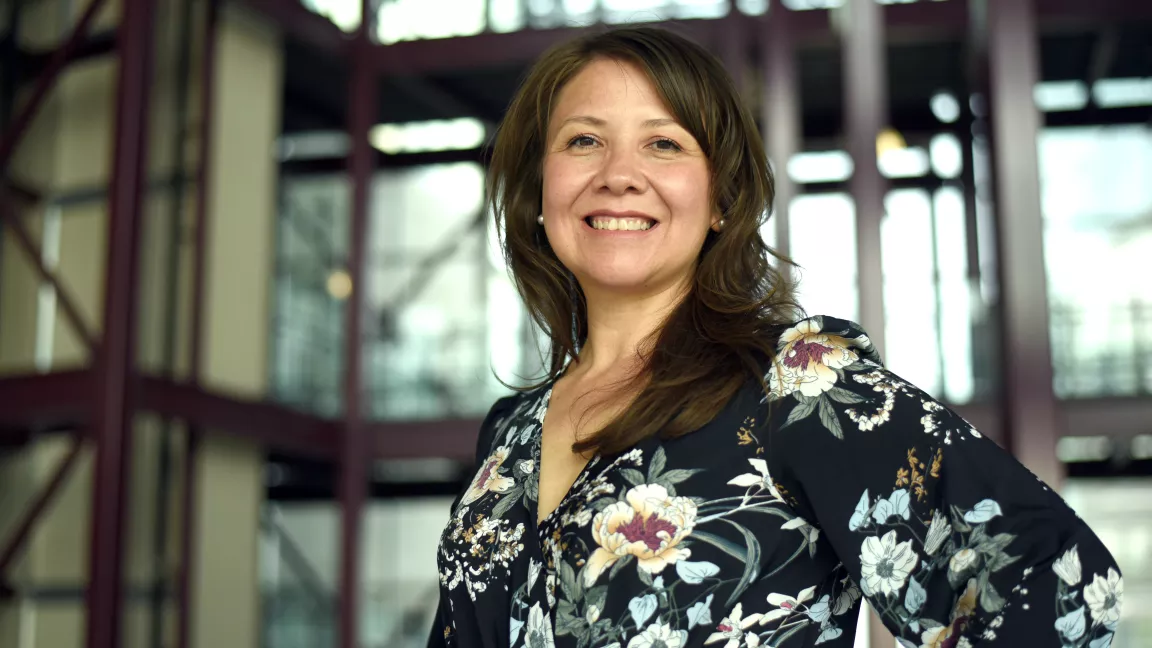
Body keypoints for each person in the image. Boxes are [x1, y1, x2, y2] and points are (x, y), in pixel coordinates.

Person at [427, 26, 1122, 648]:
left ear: (722, 201)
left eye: (663, 144)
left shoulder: (796, 385)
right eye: (584, 140)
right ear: (539, 191)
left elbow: (1056, 588)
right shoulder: (510, 434)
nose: (618, 175)